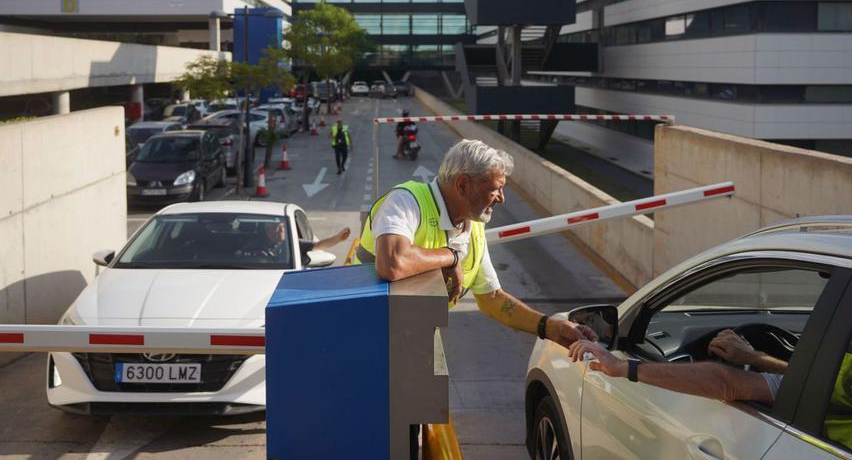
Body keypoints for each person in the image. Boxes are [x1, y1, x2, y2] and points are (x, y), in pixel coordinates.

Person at [355, 139, 596, 345]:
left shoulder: (474, 228)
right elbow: (392, 263)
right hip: (365, 334)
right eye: (495, 189)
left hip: (413, 338)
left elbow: (492, 299)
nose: (501, 199)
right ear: (462, 185)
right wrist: (451, 256)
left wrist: (551, 328)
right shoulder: (407, 201)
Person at [568, 329, 788, 404]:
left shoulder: (821, 396)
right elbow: (800, 381)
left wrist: (621, 366)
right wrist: (756, 358)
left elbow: (726, 383)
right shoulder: (821, 386)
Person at [239, 221, 351, 266]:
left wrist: (338, 238)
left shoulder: (293, 243)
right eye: (273, 228)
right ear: (267, 230)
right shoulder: (254, 244)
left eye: (281, 228)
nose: (278, 231)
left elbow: (320, 245)